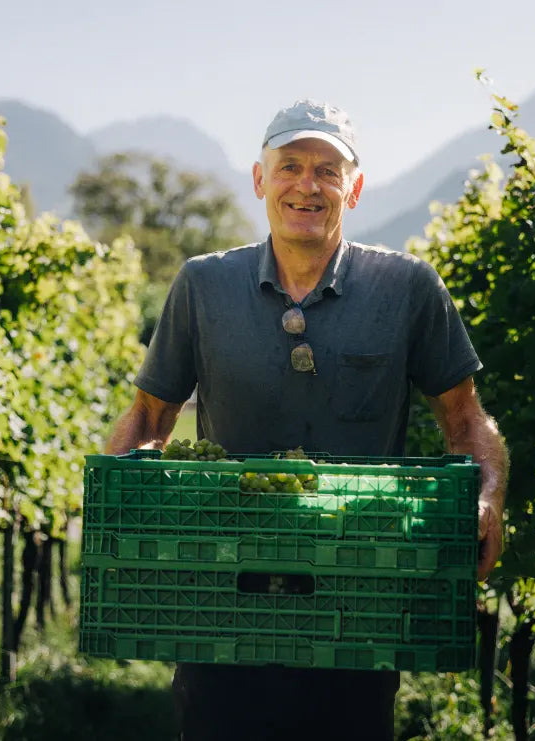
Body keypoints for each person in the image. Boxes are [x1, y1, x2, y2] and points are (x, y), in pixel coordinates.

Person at [105, 99, 508, 741]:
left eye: (327, 169)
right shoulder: (203, 286)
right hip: (223, 595)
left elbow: (465, 420)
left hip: (358, 594)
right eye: (290, 165)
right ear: (261, 179)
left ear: (354, 186)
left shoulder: (407, 287)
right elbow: (149, 416)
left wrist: (488, 497)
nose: (307, 184)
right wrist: (124, 504)